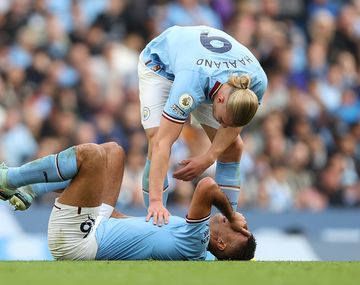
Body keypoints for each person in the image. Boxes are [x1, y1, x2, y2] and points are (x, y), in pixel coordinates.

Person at [0, 142, 256, 260]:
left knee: (92, 157)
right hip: (99, 226)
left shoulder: (197, 241)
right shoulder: (193, 246)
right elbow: (139, 232)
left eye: (235, 229)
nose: (233, 219)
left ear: (220, 242)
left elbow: (207, 186)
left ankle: (12, 179)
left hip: (78, 243)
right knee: (114, 152)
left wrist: (232, 214)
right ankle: (30, 190)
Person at [138, 25, 268, 225]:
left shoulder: (256, 82)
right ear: (222, 100)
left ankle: (228, 223)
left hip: (202, 67)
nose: (223, 125)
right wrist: (155, 201)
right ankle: (154, 218)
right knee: (157, 136)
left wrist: (208, 158)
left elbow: (233, 128)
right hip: (160, 64)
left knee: (232, 147)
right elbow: (162, 143)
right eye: (223, 121)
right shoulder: (190, 84)